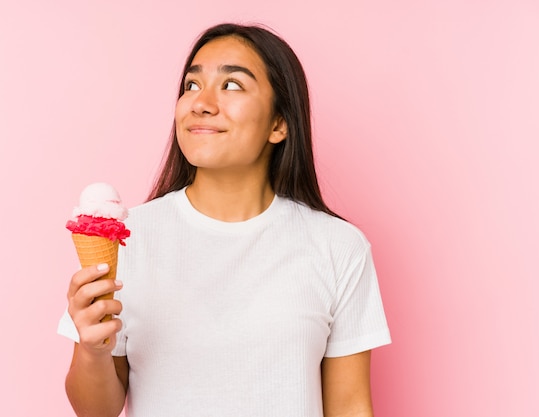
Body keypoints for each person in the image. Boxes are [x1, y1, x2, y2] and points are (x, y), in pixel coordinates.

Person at [58, 22, 391, 417]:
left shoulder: (338, 246)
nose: (201, 102)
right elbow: (96, 411)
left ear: (279, 124)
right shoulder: (128, 238)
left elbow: (350, 406)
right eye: (191, 86)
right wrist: (91, 349)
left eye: (232, 85)